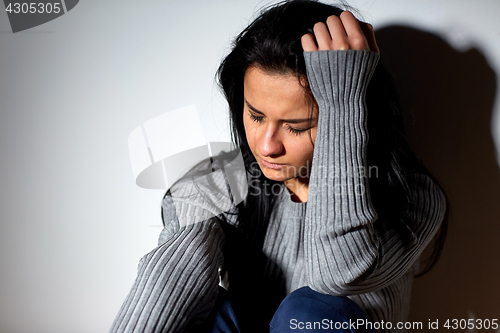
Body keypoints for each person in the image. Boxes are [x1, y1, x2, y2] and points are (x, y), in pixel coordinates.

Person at [109, 1, 448, 332]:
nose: (267, 146)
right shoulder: (220, 182)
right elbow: (172, 278)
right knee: (204, 305)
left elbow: (338, 273)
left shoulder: (411, 197)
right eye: (255, 115)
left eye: (296, 126)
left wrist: (342, 99)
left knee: (309, 311)